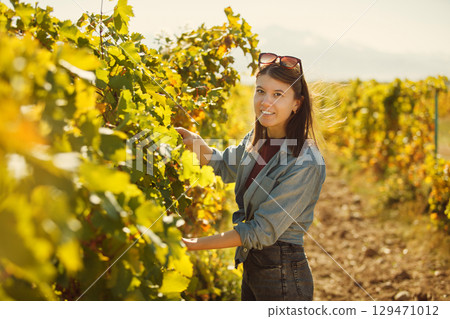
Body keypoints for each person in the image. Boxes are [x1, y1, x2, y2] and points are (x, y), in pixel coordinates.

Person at [175, 52, 326, 301]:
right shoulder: (257, 139)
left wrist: (192, 244)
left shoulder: (305, 161)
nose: (265, 101)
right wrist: (195, 142)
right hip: (254, 267)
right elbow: (223, 165)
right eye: (260, 91)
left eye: (278, 94)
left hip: (283, 276)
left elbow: (261, 231)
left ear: (296, 103)